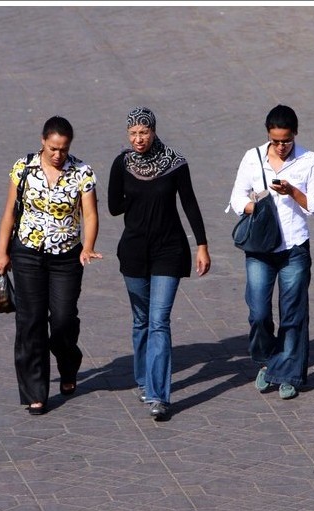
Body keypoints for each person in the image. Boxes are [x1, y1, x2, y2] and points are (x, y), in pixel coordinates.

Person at [0, 115, 102, 415]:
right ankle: (35, 391)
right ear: (43, 141)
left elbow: (90, 215)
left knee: (64, 319)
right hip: (27, 254)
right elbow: (9, 214)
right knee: (31, 322)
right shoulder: (23, 168)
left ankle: (68, 365)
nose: (58, 155)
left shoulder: (82, 172)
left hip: (67, 256)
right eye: (53, 148)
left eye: (63, 149)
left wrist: (88, 247)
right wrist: (2, 252)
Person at [108, 107, 211, 420]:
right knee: (141, 320)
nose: (139, 139)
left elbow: (189, 202)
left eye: (144, 132)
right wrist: (137, 199)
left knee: (159, 321)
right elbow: (113, 207)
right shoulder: (122, 163)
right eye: (134, 133)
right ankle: (143, 379)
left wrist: (202, 246)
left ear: (154, 131)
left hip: (169, 250)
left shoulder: (175, 162)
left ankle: (158, 395)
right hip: (135, 252)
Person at [227, 104, 314, 400]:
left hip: (294, 249)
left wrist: (292, 192)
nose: (281, 147)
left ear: (295, 134)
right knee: (258, 312)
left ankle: (288, 374)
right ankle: (269, 360)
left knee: (293, 315)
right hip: (260, 249)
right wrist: (255, 206)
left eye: (286, 140)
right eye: (275, 141)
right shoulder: (253, 157)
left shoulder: (309, 160)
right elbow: (235, 197)